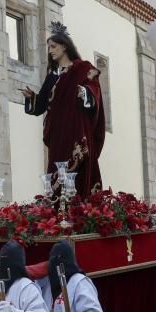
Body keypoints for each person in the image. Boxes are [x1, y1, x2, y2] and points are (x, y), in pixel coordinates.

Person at [21, 21, 106, 199]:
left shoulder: (83, 69)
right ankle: (59, 210)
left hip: (77, 131)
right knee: (57, 173)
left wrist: (85, 92)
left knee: (79, 175)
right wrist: (32, 98)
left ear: (64, 47)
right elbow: (41, 105)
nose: (50, 51)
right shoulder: (52, 76)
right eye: (49, 48)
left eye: (53, 46)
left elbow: (94, 89)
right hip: (58, 136)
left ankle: (81, 210)